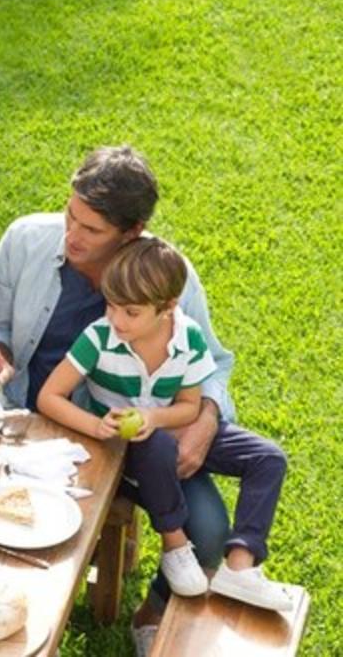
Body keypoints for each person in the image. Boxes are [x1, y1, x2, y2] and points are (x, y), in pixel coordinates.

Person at [0, 146, 285, 656]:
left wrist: (203, 419)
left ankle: (152, 612)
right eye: (71, 214)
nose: (72, 235)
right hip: (41, 427)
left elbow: (214, 362)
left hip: (146, 436)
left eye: (91, 230)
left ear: (131, 231)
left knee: (207, 533)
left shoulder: (166, 274)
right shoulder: (27, 239)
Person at [38, 238, 292, 610]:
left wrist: (155, 417)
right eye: (111, 305)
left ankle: (239, 567)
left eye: (130, 312)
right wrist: (97, 427)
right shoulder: (99, 338)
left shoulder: (188, 337)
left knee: (270, 458)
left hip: (170, 430)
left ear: (167, 307)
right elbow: (49, 397)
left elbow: (190, 407)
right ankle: (175, 546)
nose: (116, 319)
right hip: (125, 451)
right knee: (152, 444)